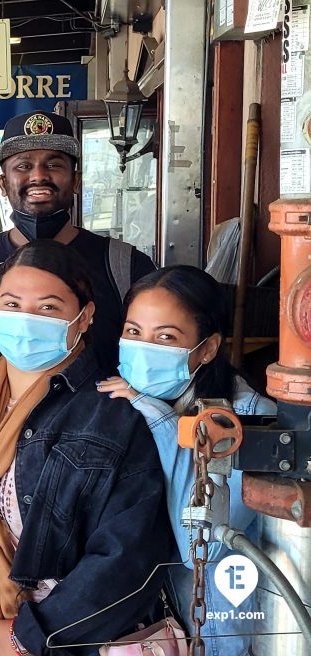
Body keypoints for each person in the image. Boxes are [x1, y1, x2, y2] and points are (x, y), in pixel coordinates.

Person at [0, 240, 171, 656]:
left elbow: (128, 561)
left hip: (59, 643)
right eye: (11, 303)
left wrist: (24, 636)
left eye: (48, 308)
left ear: (84, 317)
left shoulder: (113, 416)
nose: (26, 320)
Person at [96, 265, 276, 656]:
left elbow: (199, 543)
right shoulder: (122, 403)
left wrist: (159, 420)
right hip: (159, 626)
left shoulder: (247, 419)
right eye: (133, 332)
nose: (144, 348)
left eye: (165, 337)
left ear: (208, 348)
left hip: (222, 633)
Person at [0, 111, 156, 378]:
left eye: (54, 164)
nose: (39, 175)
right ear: (3, 184)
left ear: (76, 181)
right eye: (23, 165)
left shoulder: (126, 267)